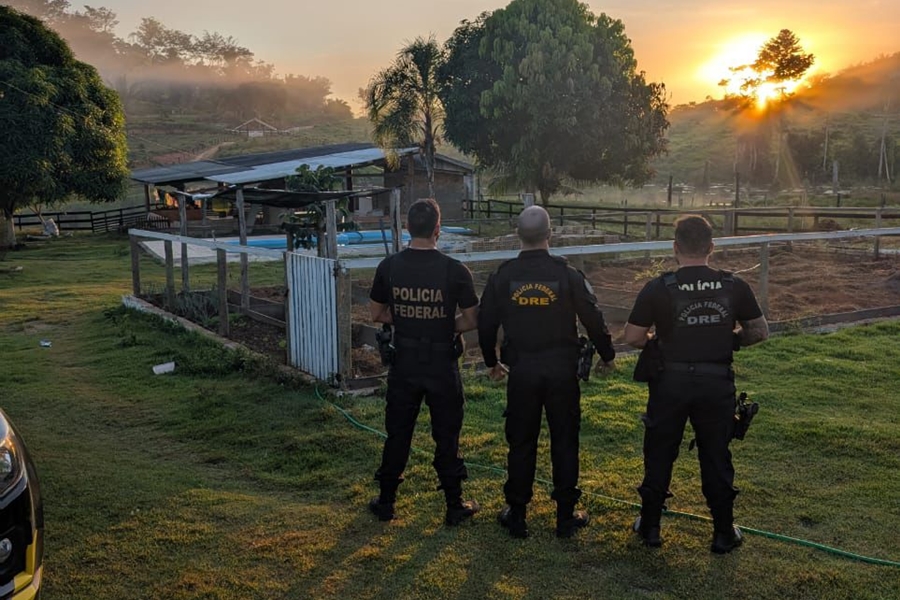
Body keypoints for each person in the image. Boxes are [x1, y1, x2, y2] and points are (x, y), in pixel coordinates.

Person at [623, 215, 769, 554]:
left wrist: (657, 341)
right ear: (711, 247)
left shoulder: (660, 286)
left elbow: (632, 337)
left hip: (669, 383)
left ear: (675, 247)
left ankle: (650, 527)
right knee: (716, 455)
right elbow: (759, 331)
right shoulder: (733, 285)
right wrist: (727, 339)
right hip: (715, 383)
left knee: (659, 452)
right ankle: (722, 533)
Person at [478, 205, 616, 539]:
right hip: (561, 371)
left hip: (522, 370)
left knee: (521, 441)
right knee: (565, 440)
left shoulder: (504, 275)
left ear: (517, 235)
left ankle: (517, 514)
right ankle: (565, 517)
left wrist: (490, 362)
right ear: (549, 235)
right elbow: (592, 317)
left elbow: (486, 322)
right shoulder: (567, 275)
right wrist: (608, 354)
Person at [367, 199, 480, 526]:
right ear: (437, 229)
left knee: (398, 433)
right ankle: (454, 505)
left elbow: (376, 314)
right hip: (442, 363)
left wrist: (403, 319)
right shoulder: (455, 270)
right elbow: (472, 319)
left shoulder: (389, 267)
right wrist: (446, 325)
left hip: (404, 362)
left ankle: (386, 503)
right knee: (447, 434)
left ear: (406, 228)